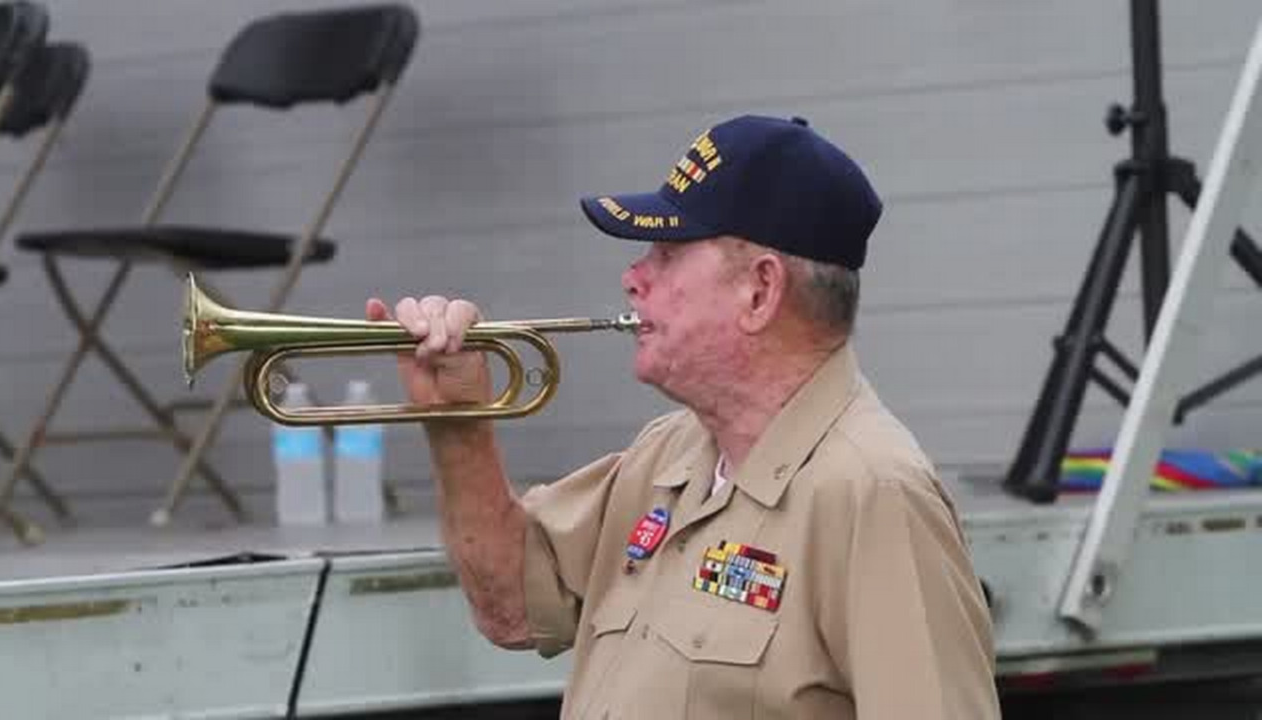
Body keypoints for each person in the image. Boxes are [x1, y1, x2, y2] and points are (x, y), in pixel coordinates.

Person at [367, 114, 1000, 719]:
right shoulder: (669, 453)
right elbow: (510, 609)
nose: (633, 277)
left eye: (667, 251)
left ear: (760, 290)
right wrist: (457, 423)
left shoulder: (873, 492)